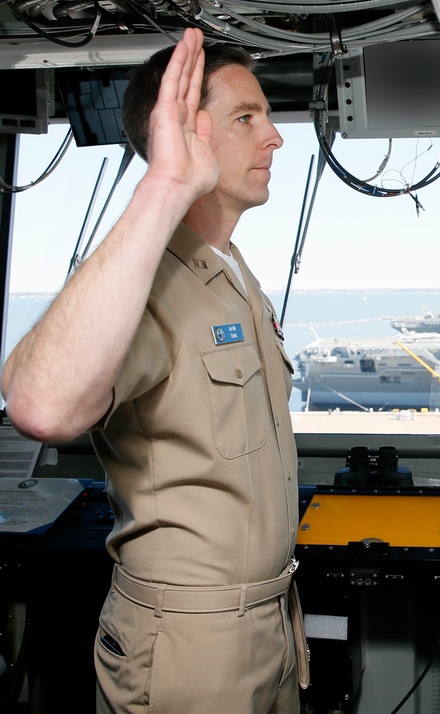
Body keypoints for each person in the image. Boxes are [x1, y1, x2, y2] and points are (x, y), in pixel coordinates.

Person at [0, 28, 308, 713]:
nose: (275, 138)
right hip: (191, 644)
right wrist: (165, 184)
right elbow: (40, 405)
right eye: (246, 117)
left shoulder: (230, 274)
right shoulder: (141, 285)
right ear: (185, 136)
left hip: (270, 623)